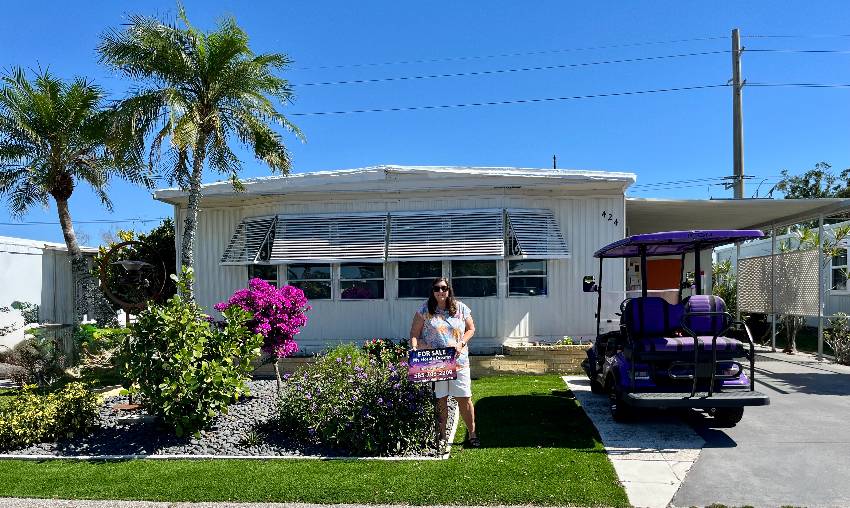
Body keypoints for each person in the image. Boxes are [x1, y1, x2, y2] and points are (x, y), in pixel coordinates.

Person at [409, 277, 479, 448]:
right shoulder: (424, 310)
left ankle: (472, 434)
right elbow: (414, 335)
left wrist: (461, 343)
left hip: (458, 362)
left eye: (444, 288)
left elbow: (471, 329)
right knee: (441, 399)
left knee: (464, 398)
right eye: (437, 288)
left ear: (449, 290)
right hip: (435, 363)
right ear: (432, 291)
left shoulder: (461, 308)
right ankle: (441, 436)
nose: (440, 292)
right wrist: (415, 347)